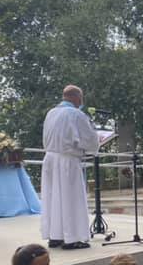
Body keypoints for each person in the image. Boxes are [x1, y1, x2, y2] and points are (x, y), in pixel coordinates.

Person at [40, 85, 99, 249]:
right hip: (67, 160)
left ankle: (55, 236)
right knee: (70, 198)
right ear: (77, 98)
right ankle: (71, 238)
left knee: (53, 198)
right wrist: (95, 144)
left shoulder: (51, 113)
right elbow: (90, 139)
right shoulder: (75, 114)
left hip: (50, 159)